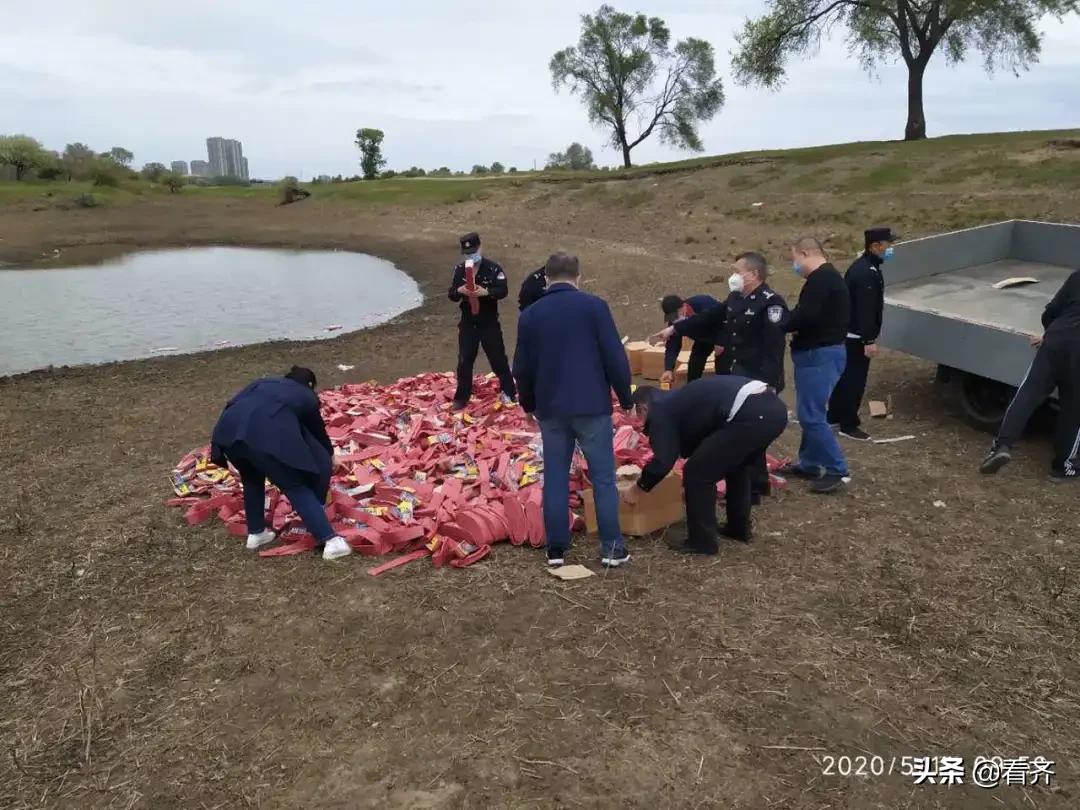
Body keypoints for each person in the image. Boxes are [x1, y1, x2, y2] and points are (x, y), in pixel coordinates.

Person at [513, 252, 634, 568]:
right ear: (578, 277)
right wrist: (627, 397)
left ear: (547, 277)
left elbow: (521, 367)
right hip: (591, 404)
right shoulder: (594, 307)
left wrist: (528, 404)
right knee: (603, 477)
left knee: (554, 476)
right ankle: (611, 548)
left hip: (551, 408)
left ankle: (556, 549)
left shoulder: (530, 315)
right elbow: (614, 358)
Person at [656, 252, 789, 499]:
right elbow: (711, 317)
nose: (734, 276)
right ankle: (754, 483)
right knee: (746, 434)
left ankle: (755, 484)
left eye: (738, 271)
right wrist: (676, 328)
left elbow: (774, 349)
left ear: (754, 275)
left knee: (752, 434)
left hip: (759, 378)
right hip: (739, 374)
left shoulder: (771, 304)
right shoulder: (736, 298)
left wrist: (768, 384)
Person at [623, 376, 788, 553]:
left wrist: (639, 487)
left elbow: (664, 460)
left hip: (750, 414)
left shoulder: (661, 412)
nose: (640, 424)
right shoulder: (676, 401)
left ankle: (702, 542)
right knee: (736, 466)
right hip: (772, 409)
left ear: (643, 407)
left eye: (638, 416)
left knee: (697, 474)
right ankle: (738, 528)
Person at [210, 366, 352, 561]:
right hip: (264, 438)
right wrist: (331, 455)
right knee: (294, 485)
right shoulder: (306, 395)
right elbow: (317, 431)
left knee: (252, 479)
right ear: (310, 385)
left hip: (228, 435)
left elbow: (231, 404)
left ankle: (256, 533)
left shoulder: (261, 382)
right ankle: (331, 541)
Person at [980, 267, 1080, 482]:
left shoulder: (1077, 275)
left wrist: (1050, 334)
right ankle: (1063, 466)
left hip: (1056, 341)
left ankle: (1002, 446)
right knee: (1073, 410)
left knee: (1026, 395)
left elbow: (1051, 311)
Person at [781, 237, 851, 494]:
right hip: (819, 353)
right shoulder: (826, 279)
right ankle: (810, 462)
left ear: (805, 253)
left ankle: (836, 468)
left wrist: (782, 324)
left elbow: (806, 315)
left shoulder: (822, 280)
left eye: (795, 259)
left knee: (812, 415)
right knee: (809, 411)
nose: (795, 264)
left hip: (819, 355)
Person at [828, 227, 897, 441]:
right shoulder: (866, 272)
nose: (890, 248)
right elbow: (865, 309)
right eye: (887, 244)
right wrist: (869, 339)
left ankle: (834, 416)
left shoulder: (865, 267)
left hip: (850, 335)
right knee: (854, 381)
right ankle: (848, 424)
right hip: (856, 337)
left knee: (845, 378)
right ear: (875, 246)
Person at [447, 232, 517, 410]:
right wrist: (460, 291)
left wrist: (486, 292)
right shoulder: (460, 270)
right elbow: (452, 294)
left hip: (489, 322)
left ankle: (509, 392)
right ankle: (462, 397)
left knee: (498, 359)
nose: (471, 255)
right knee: (464, 360)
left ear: (480, 247)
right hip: (468, 323)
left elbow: (503, 291)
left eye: (474, 250)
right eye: (468, 252)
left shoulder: (493, 269)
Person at [658, 294, 721, 384]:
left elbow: (721, 320)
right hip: (703, 340)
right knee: (694, 366)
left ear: (684, 306)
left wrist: (720, 341)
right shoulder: (674, 323)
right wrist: (668, 369)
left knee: (722, 368)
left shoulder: (703, 303)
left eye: (676, 315)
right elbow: (673, 345)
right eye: (672, 317)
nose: (675, 319)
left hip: (722, 335)